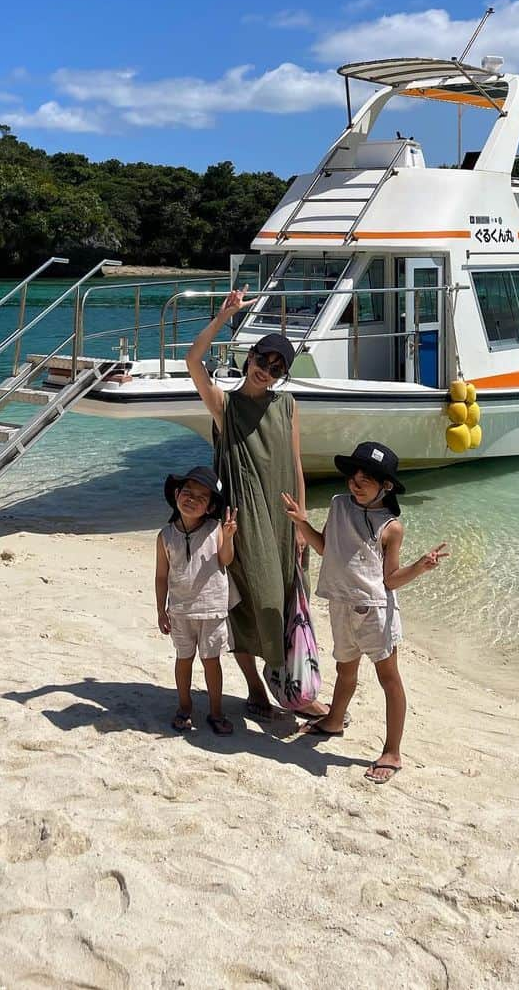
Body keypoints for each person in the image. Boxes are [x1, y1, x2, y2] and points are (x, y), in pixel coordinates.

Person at [186, 289, 330, 720]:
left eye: (277, 369)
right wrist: (223, 316)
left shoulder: (287, 405)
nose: (267, 372)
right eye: (263, 362)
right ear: (250, 357)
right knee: (253, 605)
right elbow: (194, 362)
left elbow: (296, 465)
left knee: (290, 604)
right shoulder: (225, 406)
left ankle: (293, 688)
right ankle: (257, 687)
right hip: (245, 523)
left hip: (286, 523)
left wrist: (303, 524)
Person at [282, 441, 448, 783]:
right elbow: (327, 547)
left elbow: (390, 579)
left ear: (385, 485)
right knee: (345, 670)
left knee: (389, 679)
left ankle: (392, 751)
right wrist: (302, 523)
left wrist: (420, 566)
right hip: (340, 604)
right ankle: (333, 720)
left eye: (366, 478)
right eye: (353, 475)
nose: (356, 482)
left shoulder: (391, 526)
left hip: (375, 612)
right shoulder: (338, 505)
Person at [154, 465, 238, 735]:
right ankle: (184, 706)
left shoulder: (216, 529)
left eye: (201, 497)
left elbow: (226, 560)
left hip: (212, 609)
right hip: (179, 611)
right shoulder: (165, 536)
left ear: (211, 506)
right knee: (183, 659)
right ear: (176, 494)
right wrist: (161, 610)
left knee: (211, 661)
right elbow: (161, 576)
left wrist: (230, 536)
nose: (192, 499)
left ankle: (216, 711)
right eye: (187, 492)